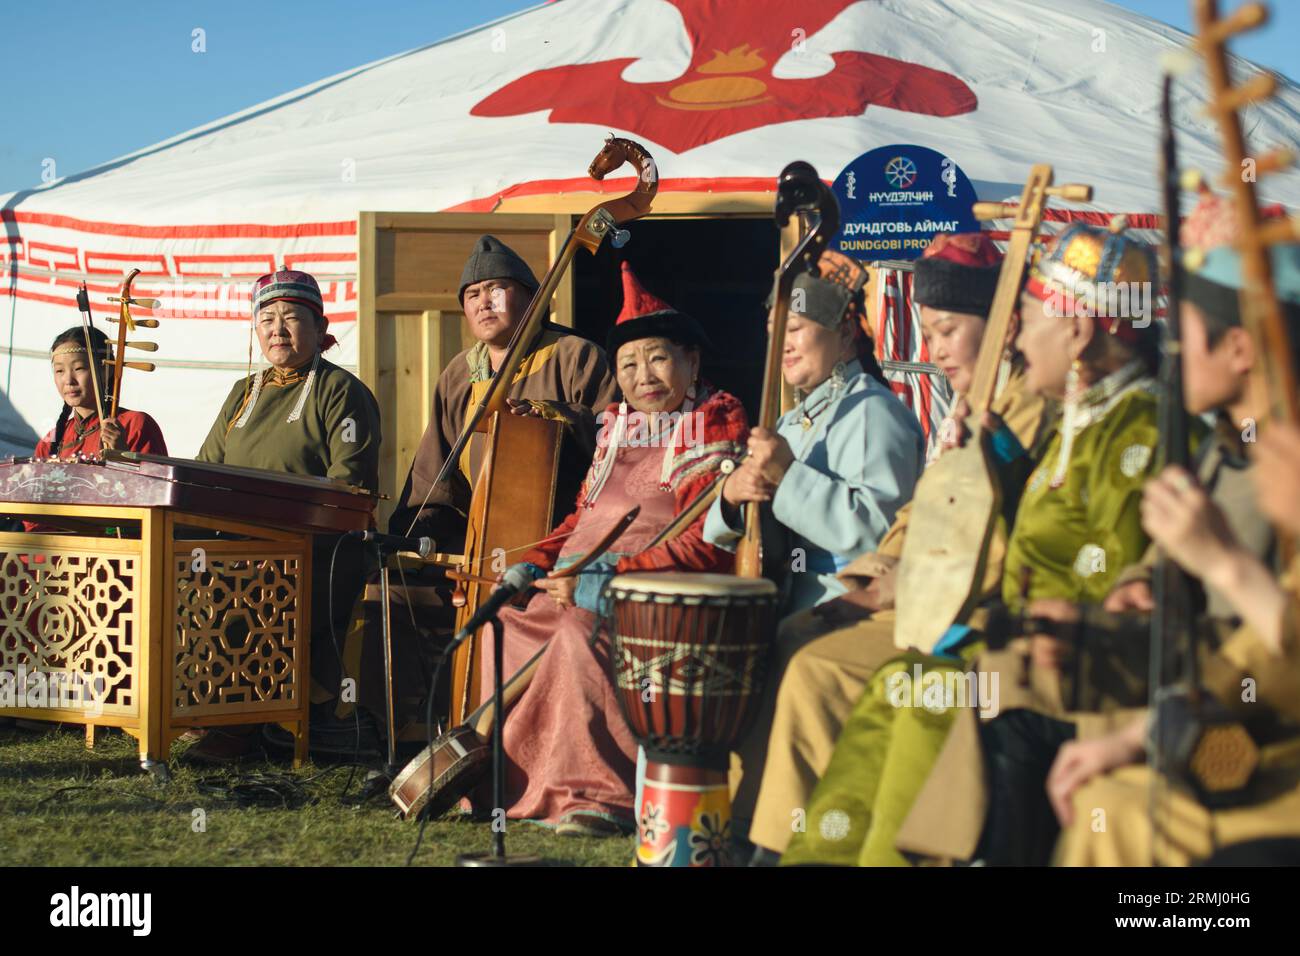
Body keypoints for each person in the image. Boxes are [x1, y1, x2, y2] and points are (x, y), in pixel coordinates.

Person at [784, 222, 1165, 866]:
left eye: (1028, 317)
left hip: (1054, 656)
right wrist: (1002, 464)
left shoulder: (1137, 430)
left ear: (1076, 332)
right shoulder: (1080, 419)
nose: (1018, 332)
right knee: (894, 686)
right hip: (1003, 632)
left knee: (916, 689)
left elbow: (1096, 575)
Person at [730, 234, 1050, 862]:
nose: (935, 349)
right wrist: (731, 496)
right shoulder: (805, 417)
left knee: (809, 660)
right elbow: (918, 515)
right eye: (928, 331)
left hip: (969, 609)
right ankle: (759, 826)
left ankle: (779, 840)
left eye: (799, 327)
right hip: (888, 588)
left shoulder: (879, 412)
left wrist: (789, 485)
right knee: (778, 643)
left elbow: (875, 526)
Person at [472, 263, 748, 836]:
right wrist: (538, 561)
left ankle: (597, 795)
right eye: (627, 364)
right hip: (577, 579)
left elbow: (707, 545)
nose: (642, 375)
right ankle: (504, 786)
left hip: (658, 593)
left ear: (691, 361)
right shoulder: (617, 426)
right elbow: (583, 515)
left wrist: (607, 577)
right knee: (500, 624)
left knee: (577, 634)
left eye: (657, 358)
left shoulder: (714, 420)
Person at [1049, 240, 1300, 866]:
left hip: (1265, 734)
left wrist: (1225, 565)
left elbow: (1272, 645)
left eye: (1186, 335)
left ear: (1239, 348)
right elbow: (1168, 553)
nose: (1173, 353)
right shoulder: (1223, 441)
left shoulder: (1278, 459)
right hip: (1223, 692)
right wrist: (1146, 580)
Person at [185, 269, 383, 762]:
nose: (278, 329)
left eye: (292, 318)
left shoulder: (340, 391)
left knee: (248, 591)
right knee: (179, 577)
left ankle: (243, 724)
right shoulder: (242, 393)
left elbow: (350, 487)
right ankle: (199, 707)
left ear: (319, 328)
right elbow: (205, 470)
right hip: (238, 544)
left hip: (318, 552)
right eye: (267, 318)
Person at [702, 249, 925, 614]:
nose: (782, 345)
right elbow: (754, 536)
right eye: (774, 333)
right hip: (789, 598)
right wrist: (732, 495)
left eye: (793, 329)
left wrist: (787, 476)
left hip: (845, 602)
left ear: (846, 333)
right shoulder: (791, 420)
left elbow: (876, 536)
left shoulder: (870, 411)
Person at [390, 235, 618, 548]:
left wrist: (556, 417)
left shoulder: (575, 356)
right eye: (472, 294)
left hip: (564, 534)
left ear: (533, 299)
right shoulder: (458, 374)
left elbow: (615, 438)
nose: (484, 301)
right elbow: (435, 469)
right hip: (481, 537)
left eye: (496, 289)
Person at [35, 326, 166, 460]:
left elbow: (157, 480)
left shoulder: (135, 424)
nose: (68, 380)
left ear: (106, 370)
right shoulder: (49, 441)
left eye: (79, 368)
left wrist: (123, 456)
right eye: (59, 371)